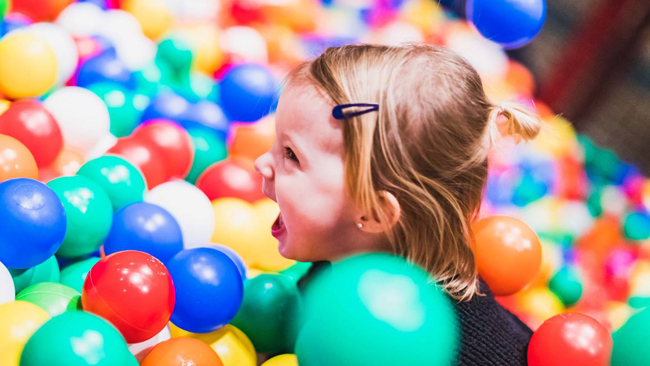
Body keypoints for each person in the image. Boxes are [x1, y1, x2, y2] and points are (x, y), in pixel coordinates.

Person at [254, 43, 541, 365]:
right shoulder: (337, 266)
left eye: (291, 154)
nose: (261, 162)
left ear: (374, 212)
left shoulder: (436, 350)